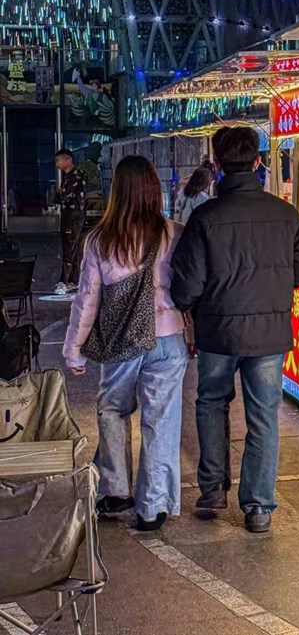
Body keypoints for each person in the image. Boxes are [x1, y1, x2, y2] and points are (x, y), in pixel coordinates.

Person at [171, 126, 299, 533]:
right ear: (257, 162)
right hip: (269, 334)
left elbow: (187, 286)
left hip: (218, 332)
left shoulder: (205, 217)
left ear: (216, 165)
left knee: (211, 402)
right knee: (264, 415)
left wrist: (188, 308)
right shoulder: (286, 214)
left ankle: (213, 489)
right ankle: (258, 507)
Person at [63, 156, 188, 532]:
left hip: (121, 341)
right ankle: (152, 506)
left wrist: (73, 348)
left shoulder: (101, 239)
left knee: (112, 410)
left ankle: (116, 490)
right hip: (167, 338)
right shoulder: (174, 232)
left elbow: (87, 300)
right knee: (161, 421)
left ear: (117, 191)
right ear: (154, 189)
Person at [55, 148, 87, 293]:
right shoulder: (68, 176)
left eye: (58, 160)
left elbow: (63, 195)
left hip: (73, 216)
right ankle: (73, 280)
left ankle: (65, 280)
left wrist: (60, 194)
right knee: (71, 248)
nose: (57, 164)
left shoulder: (75, 176)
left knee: (69, 247)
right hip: (69, 215)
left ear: (67, 159)